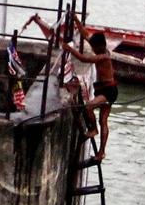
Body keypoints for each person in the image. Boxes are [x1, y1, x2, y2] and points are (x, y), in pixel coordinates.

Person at [30, 15, 118, 158]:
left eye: (95, 48)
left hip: (109, 91)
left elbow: (85, 59)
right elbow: (86, 35)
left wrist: (69, 50)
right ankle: (101, 152)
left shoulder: (104, 56)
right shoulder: (100, 49)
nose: (93, 50)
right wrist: (76, 20)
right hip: (102, 89)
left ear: (101, 47)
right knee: (103, 120)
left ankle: (93, 130)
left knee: (89, 107)